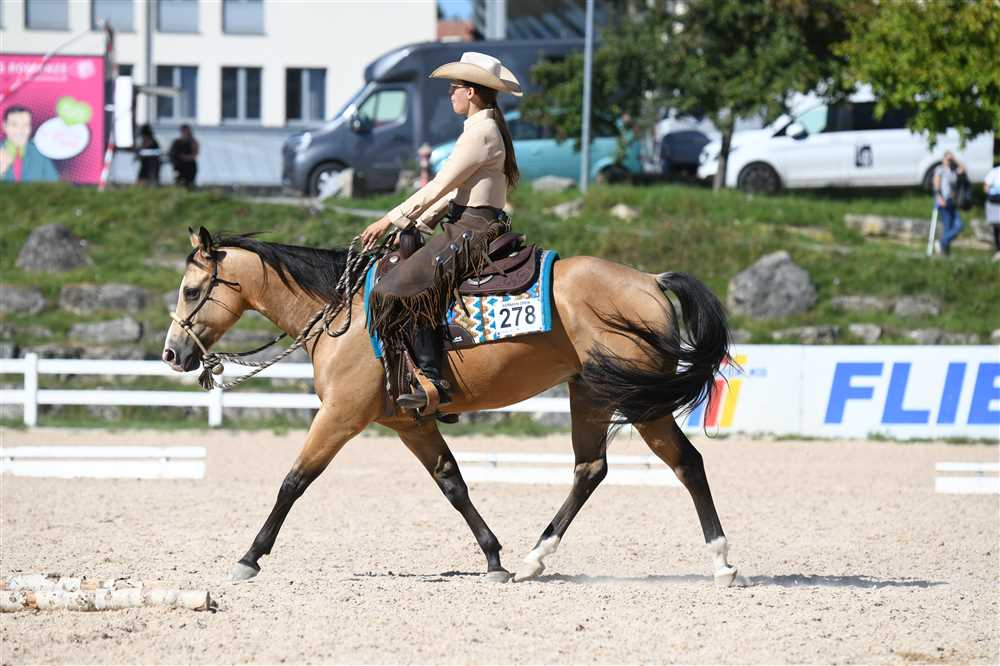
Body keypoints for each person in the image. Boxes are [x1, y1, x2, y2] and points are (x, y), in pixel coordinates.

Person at [360, 51, 521, 415]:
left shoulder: (481, 133)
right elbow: (452, 193)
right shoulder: (481, 129)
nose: (450, 94)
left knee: (393, 288)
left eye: (455, 87)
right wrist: (416, 223)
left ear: (471, 92)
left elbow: (439, 186)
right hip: (465, 222)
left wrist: (388, 220)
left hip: (472, 229)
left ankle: (431, 380)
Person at [1, 106, 59, 183]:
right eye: (14, 125)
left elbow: (55, 186)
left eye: (25, 125)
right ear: (5, 126)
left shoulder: (40, 154)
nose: (20, 130)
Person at [932, 151, 966, 255]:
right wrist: (939, 197)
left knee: (959, 225)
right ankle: (945, 252)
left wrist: (954, 160)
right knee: (947, 226)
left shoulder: (953, 170)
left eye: (950, 159)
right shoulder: (940, 169)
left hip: (952, 201)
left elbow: (963, 169)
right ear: (943, 159)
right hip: (944, 200)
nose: (949, 161)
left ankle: (942, 243)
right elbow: (936, 184)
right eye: (947, 159)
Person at [169, 124, 199, 188]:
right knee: (179, 184)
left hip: (190, 167)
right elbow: (172, 154)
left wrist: (184, 157)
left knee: (189, 184)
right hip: (179, 166)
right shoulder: (176, 142)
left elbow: (194, 155)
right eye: (184, 131)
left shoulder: (193, 142)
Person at [985, 159, 1000, 261]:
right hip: (995, 202)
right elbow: (986, 187)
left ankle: (998, 250)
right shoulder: (994, 172)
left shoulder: (994, 172)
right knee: (996, 226)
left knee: (996, 227)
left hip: (994, 201)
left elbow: (986, 188)